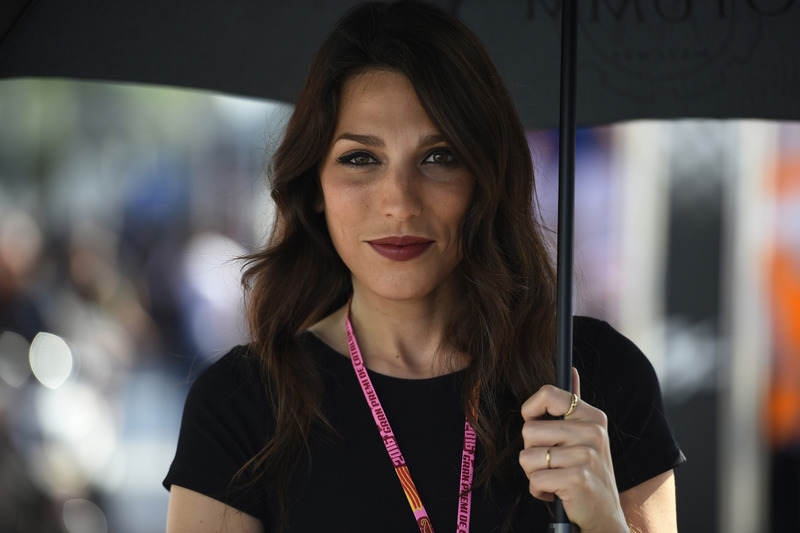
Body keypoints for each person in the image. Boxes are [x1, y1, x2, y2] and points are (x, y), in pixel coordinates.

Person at [163, 1, 685, 531]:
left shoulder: (593, 383)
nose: (400, 203)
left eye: (439, 157)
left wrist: (604, 520)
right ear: (314, 188)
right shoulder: (241, 407)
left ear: (485, 178)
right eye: (360, 158)